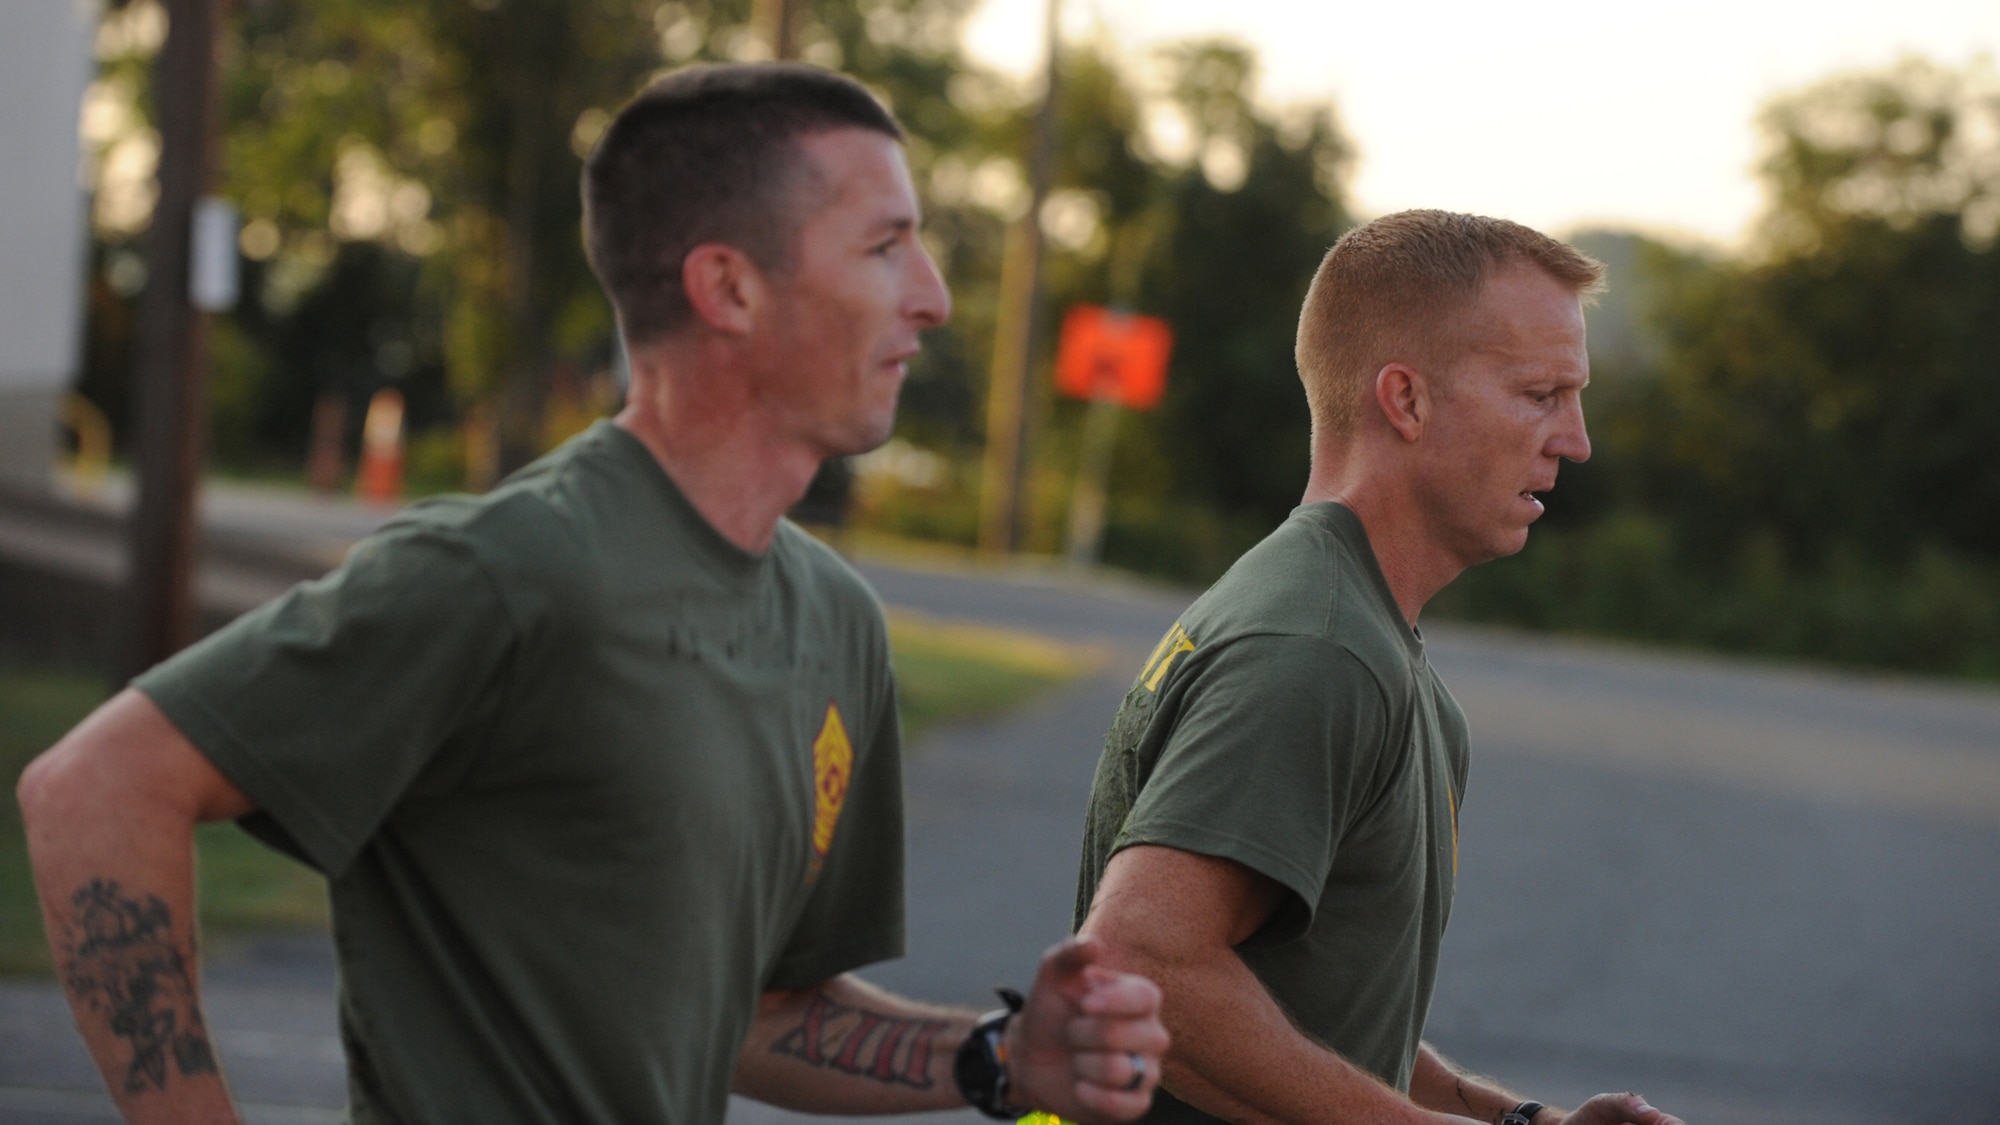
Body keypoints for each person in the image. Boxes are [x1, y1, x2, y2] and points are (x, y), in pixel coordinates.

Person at [19, 63, 1167, 1125]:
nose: (933, 298)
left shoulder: (832, 620)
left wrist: (998, 1060)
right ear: (729, 287)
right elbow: (94, 789)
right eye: (884, 247)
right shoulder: (509, 573)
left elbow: (761, 1013)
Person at [1070, 211, 1688, 1125]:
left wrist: (1512, 1120)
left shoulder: (1351, 630)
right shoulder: (1315, 649)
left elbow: (1311, 1013)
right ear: (1405, 400)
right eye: (1540, 393)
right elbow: (1135, 964)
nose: (1576, 438)